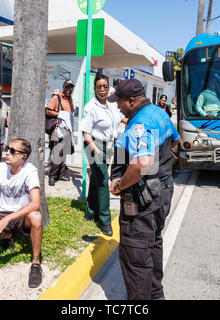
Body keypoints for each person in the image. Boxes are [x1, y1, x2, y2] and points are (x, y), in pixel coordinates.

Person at [108, 79, 180, 300]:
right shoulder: (159, 113)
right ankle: (156, 295)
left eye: (118, 101)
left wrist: (120, 185)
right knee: (152, 245)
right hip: (161, 194)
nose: (117, 106)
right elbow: (175, 142)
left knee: (136, 257)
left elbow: (142, 163)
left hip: (142, 201)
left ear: (131, 100)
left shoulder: (141, 123)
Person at [0, 138, 43, 288]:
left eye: (13, 151)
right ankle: (8, 235)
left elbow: (35, 203)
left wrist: (8, 219)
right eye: (8, 148)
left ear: (23, 156)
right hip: (2, 212)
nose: (8, 153)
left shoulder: (30, 171)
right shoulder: (0, 168)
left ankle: (36, 263)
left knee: (36, 217)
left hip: (21, 215)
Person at [79, 74, 124, 237]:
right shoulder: (90, 107)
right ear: (94, 88)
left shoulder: (112, 104)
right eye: (99, 87)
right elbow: (86, 133)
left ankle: (90, 211)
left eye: (105, 86)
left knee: (97, 178)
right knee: (104, 180)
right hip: (93, 144)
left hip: (109, 144)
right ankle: (105, 220)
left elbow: (120, 119)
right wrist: (96, 151)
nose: (102, 90)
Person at [46, 79, 75, 186]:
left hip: (67, 131)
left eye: (71, 87)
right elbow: (48, 111)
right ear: (63, 87)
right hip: (57, 130)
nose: (69, 89)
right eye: (67, 87)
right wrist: (60, 114)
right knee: (57, 153)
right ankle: (52, 176)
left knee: (64, 154)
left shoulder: (70, 99)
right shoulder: (57, 97)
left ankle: (61, 174)